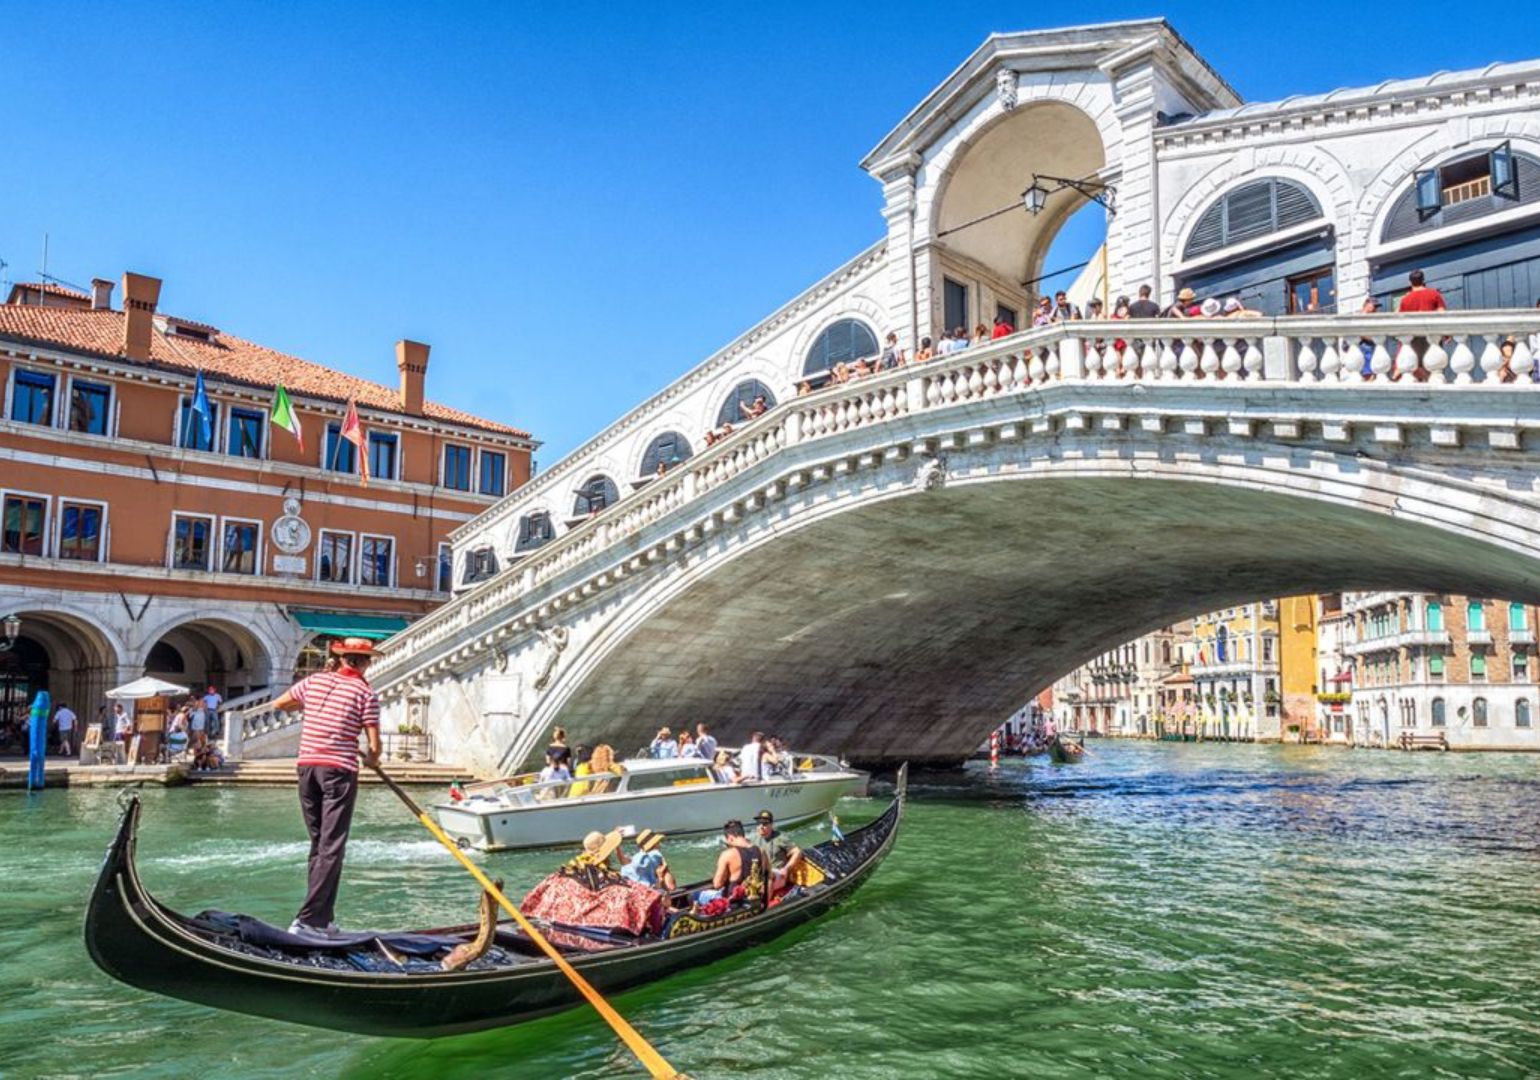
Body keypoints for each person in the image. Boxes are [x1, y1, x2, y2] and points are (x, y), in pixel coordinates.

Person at [267, 636, 383, 936]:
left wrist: (309, 707)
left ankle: (323, 919)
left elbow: (280, 703)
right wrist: (373, 760)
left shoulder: (314, 682)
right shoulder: (365, 693)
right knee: (332, 846)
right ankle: (309, 921)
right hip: (338, 771)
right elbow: (374, 745)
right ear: (365, 663)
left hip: (307, 767)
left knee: (320, 844)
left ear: (342, 658)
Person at [694, 820, 766, 906]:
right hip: (755, 897)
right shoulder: (761, 851)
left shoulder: (728, 854)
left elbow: (717, 884)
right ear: (742, 834)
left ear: (730, 838)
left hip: (732, 901)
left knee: (694, 895)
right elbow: (768, 877)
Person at [752, 809, 805, 896]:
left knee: (766, 879)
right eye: (759, 824)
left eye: (765, 824)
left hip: (778, 874)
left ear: (771, 825)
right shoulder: (754, 839)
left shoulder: (780, 838)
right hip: (762, 873)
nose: (761, 826)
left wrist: (786, 869)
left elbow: (797, 852)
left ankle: (764, 900)